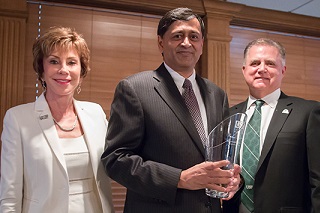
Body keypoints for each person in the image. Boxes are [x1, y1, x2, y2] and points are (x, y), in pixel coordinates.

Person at [101, 7, 241, 213]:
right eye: (177, 36)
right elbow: (116, 160)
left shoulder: (217, 94)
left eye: (194, 36)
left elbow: (224, 154)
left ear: (201, 44)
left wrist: (233, 178)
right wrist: (179, 179)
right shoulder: (135, 89)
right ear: (161, 43)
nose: (186, 43)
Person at [0, 26, 114, 213]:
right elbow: (10, 193)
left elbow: (118, 162)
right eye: (54, 61)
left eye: (71, 62)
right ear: (42, 70)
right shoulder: (18, 119)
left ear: (81, 70)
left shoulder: (96, 113)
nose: (63, 70)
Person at [230, 38, 320, 212]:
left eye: (270, 63)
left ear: (283, 70)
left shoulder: (308, 112)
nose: (261, 69)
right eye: (255, 63)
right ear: (244, 70)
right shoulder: (229, 115)